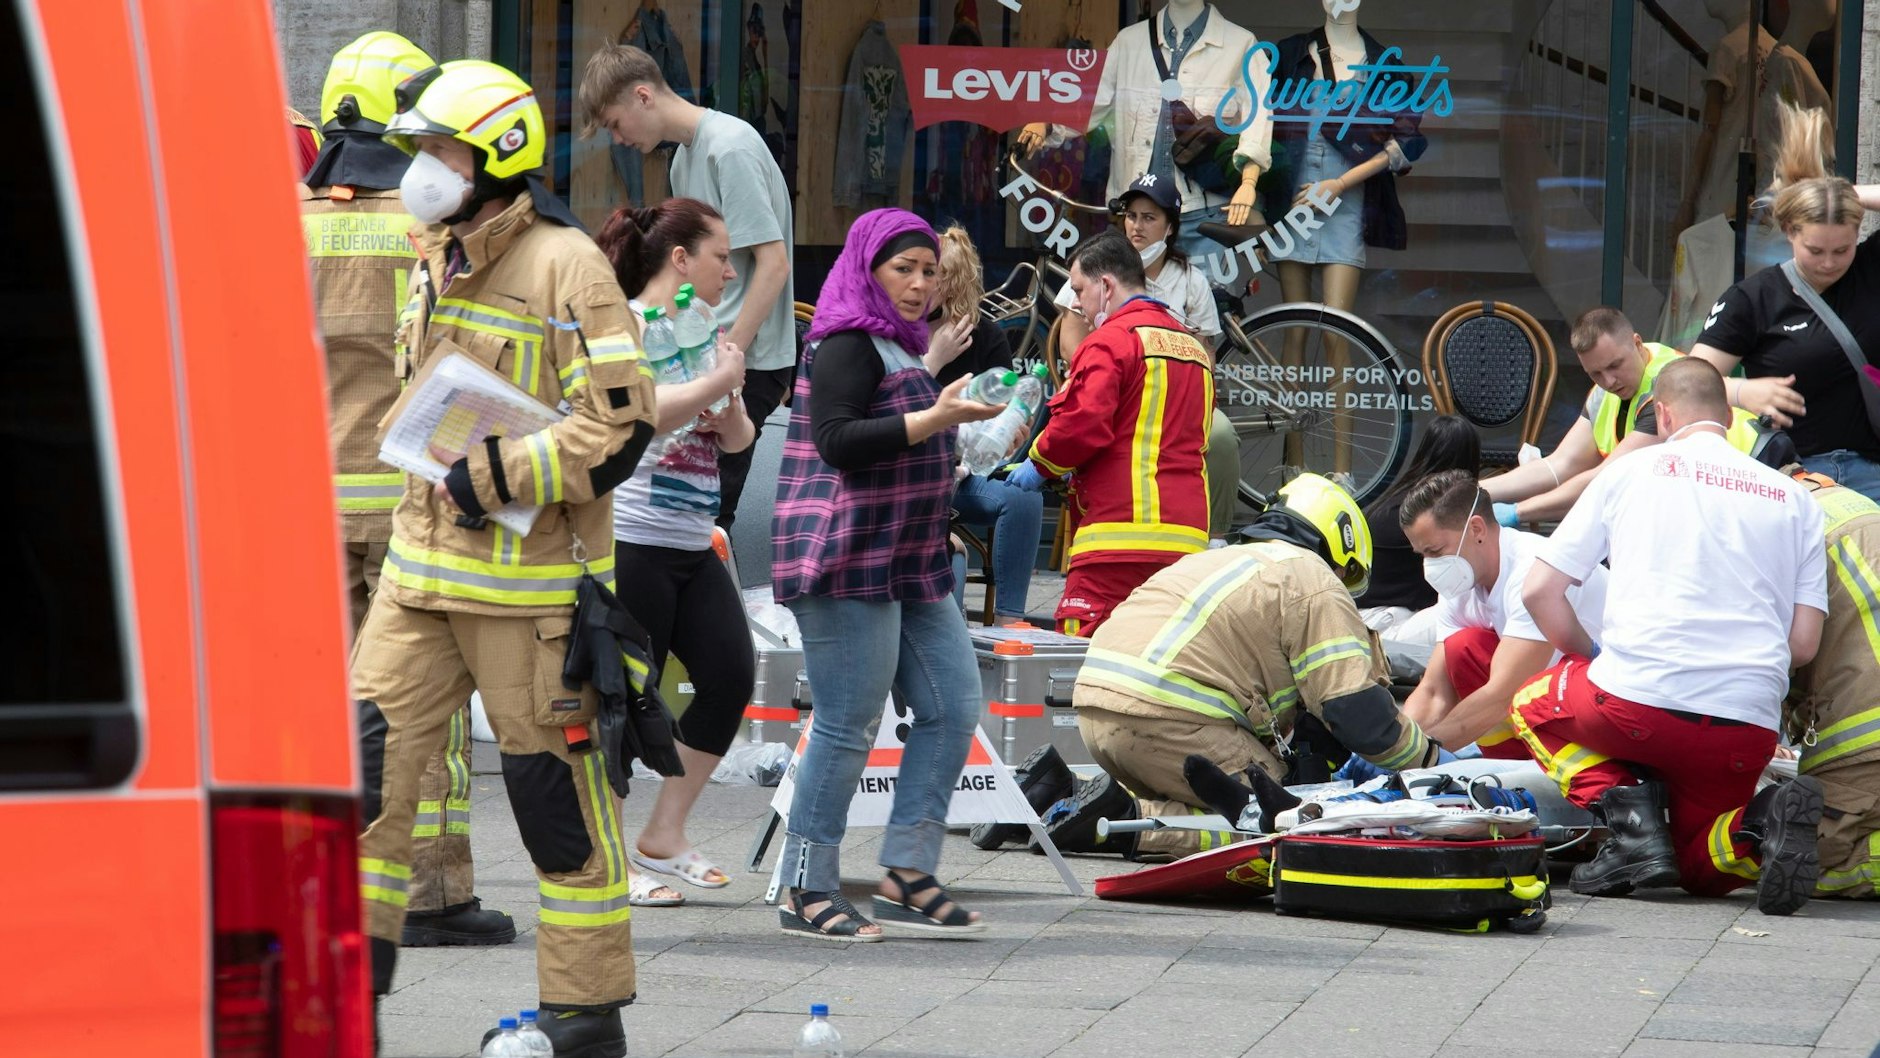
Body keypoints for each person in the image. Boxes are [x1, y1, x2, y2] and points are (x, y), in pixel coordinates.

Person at [354, 60, 656, 1057]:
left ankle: (582, 1016)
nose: (426, 171)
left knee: (557, 814)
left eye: (441, 151)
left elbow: (619, 427)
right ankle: (342, 991)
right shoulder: (429, 251)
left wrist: (498, 473)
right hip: (415, 577)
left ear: (496, 159)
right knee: (356, 788)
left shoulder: (568, 266)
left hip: (527, 602)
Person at [302, 31, 518, 951]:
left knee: (332, 708)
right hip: (410, 504)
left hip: (304, 504)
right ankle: (429, 895)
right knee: (421, 706)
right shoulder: (430, 231)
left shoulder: (280, 218)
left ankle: (331, 885)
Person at [1518, 357, 1827, 915]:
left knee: (1531, 703)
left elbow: (1540, 591)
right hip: (1745, 726)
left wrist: (1590, 657)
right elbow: (1803, 645)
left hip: (1635, 705)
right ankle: (1759, 822)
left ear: (1661, 414)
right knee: (1699, 873)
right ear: (1729, 417)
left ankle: (1632, 827)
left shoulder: (1630, 472)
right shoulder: (1797, 500)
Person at [769, 208, 1002, 940]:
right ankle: (805, 888)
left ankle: (907, 870)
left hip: (912, 559)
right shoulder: (845, 342)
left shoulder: (905, 347)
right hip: (845, 558)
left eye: (929, 271)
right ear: (868, 268)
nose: (918, 284)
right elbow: (838, 442)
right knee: (846, 726)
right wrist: (934, 420)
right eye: (903, 269)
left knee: (954, 704)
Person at [1043, 473, 1441, 860]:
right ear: (1342, 552)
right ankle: (1124, 820)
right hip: (1169, 720)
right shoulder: (1315, 579)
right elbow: (1357, 714)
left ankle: (1049, 795)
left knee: (1217, 791)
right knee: (1285, 815)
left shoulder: (1219, 560)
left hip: (1097, 711)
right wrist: (1431, 762)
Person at [594, 198, 756, 908]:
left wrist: (731, 406)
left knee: (730, 675)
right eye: (721, 255)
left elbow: (738, 441)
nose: (731, 269)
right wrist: (715, 384)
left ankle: (665, 832)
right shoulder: (628, 323)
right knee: (628, 701)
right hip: (634, 539)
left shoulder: (704, 329)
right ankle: (607, 855)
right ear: (681, 258)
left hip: (695, 538)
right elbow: (644, 416)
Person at [580, 43, 795, 536]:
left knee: (706, 510)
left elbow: (773, 264)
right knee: (681, 505)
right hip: (701, 353)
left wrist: (729, 361)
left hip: (746, 356)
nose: (618, 138)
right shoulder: (683, 160)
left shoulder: (729, 146)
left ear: (642, 96)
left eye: (615, 123)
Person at [1006, 230, 1214, 636]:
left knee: (1086, 661)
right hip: (1187, 542)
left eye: (1080, 291)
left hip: (1118, 540)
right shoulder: (1192, 349)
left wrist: (1037, 466)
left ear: (1106, 286)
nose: (1079, 307)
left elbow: (1081, 424)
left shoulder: (1110, 342)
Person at [1693, 102, 1880, 502]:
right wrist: (1743, 391)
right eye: (1815, 250)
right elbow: (1687, 380)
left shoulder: (1871, 269)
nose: (1829, 263)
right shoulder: (1753, 298)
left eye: (1842, 250)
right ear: (1790, 232)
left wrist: (1841, 194)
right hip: (1793, 474)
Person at [1053, 173, 1242, 542]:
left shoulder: (1190, 280)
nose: (1136, 226)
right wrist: (1107, 379)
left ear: (1170, 227)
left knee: (1220, 435)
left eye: (1149, 217)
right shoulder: (1098, 264)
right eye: (1131, 215)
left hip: (1174, 396)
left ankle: (1215, 539)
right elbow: (1069, 343)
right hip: (1112, 392)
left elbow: (1205, 357)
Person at [1492, 307, 1777, 525]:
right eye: (1595, 373)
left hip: (1757, 478)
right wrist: (1478, 491)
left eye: (1615, 365)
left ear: (1637, 343)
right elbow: (1560, 464)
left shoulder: (1666, 388)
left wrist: (1517, 512)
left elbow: (1603, 481)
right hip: (1715, 497)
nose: (1609, 380)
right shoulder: (1604, 391)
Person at [1398, 469, 1610, 758]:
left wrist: (1418, 754)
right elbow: (1434, 691)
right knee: (1462, 647)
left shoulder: (1532, 573)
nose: (1430, 565)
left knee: (1489, 669)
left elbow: (1502, 694)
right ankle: (1513, 758)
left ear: (1476, 530)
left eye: (1435, 551)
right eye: (1421, 554)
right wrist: (1394, 747)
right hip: (1552, 694)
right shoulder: (1460, 583)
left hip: (1607, 699)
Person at [928, 224, 1044, 623]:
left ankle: (1012, 621)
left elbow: (1004, 416)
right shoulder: (892, 331)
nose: (919, 284)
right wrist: (935, 358)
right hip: (913, 475)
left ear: (953, 284)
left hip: (963, 471)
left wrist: (1012, 432)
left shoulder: (985, 337)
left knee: (1024, 498)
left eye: (932, 274)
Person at [1782, 468, 1880, 901]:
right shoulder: (1843, 504)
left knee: (1814, 859)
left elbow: (1786, 651)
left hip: (1864, 732)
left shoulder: (1777, 525)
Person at [1354, 414, 1480, 640]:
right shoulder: (1429, 517)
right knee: (1474, 609)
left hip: (1368, 618)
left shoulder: (1399, 499)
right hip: (1384, 625)